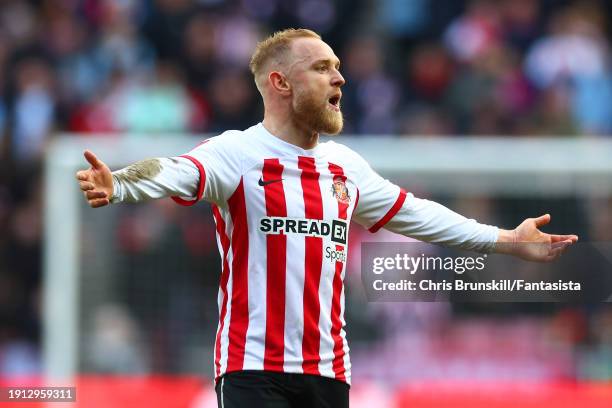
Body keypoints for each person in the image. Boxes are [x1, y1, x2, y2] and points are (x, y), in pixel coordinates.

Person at [75, 28, 578, 408]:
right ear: (280, 82)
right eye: (321, 68)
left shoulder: (345, 167)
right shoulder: (237, 153)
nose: (339, 77)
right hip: (253, 369)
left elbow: (420, 215)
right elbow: (174, 170)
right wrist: (120, 183)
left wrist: (506, 240)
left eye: (337, 66)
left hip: (329, 372)